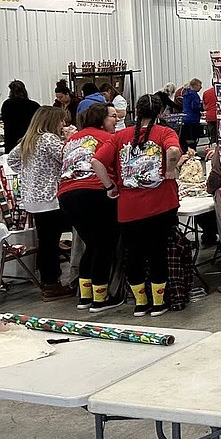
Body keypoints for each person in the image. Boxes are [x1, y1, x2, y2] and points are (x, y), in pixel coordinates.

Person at [90, 94, 182, 316]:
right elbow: (173, 151)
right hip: (161, 203)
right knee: (158, 252)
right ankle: (159, 303)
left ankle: (141, 303)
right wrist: (170, 170)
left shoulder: (120, 136)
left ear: (136, 112)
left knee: (134, 255)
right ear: (160, 113)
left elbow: (96, 161)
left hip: (129, 207)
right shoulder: (165, 133)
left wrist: (110, 187)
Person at [58, 102, 124, 311]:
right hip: (94, 192)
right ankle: (100, 298)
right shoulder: (107, 138)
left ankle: (85, 297)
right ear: (101, 119)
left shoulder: (72, 139)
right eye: (112, 116)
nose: (117, 120)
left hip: (67, 196)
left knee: (92, 244)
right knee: (104, 245)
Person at [7, 106, 74, 301]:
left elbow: (12, 161)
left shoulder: (28, 140)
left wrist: (30, 171)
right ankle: (52, 283)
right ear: (53, 121)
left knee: (46, 241)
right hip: (50, 197)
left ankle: (48, 282)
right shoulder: (49, 139)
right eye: (62, 121)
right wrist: (69, 139)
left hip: (32, 199)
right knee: (52, 242)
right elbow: (68, 157)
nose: (64, 125)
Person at [2, 80, 40, 154]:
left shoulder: (6, 104)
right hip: (29, 140)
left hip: (11, 139)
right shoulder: (34, 105)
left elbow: (4, 120)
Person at [180, 78, 204, 151]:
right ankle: (193, 152)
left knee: (187, 138)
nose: (201, 87)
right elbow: (195, 107)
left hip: (185, 118)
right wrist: (201, 108)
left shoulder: (186, 94)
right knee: (193, 138)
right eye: (200, 85)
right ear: (195, 85)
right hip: (193, 119)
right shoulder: (194, 95)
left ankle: (187, 152)